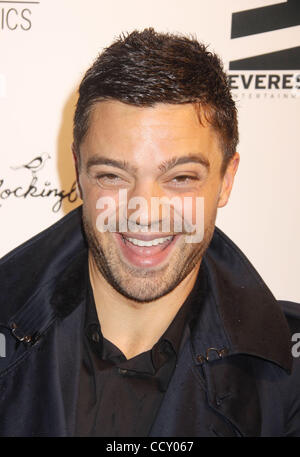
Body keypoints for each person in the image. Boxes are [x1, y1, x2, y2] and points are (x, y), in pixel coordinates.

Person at [0, 28, 299, 437]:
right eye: (112, 175)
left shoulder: (290, 375)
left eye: (180, 177)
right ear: (79, 173)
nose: (144, 212)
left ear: (226, 180)